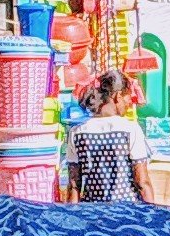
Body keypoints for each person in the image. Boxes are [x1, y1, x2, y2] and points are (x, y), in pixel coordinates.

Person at [63, 71, 149, 205]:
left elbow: (74, 185)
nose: (129, 103)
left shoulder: (77, 133)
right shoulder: (130, 130)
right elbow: (143, 183)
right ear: (117, 96)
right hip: (126, 212)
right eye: (128, 97)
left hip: (92, 213)